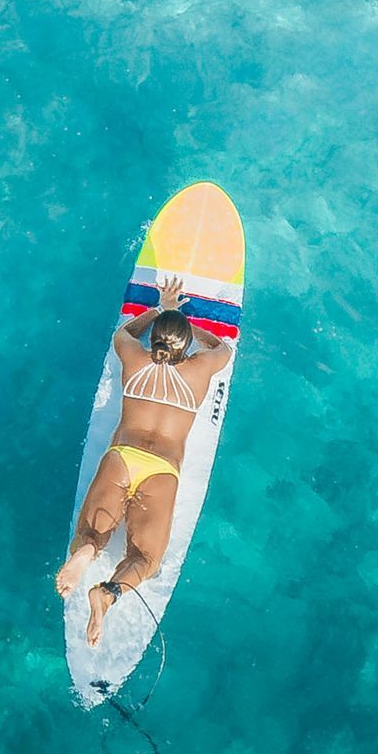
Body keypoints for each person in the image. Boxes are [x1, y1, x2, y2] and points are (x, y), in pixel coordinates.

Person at [55, 274, 233, 646]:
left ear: (152, 341)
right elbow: (222, 349)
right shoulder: (199, 369)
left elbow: (124, 332)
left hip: (123, 457)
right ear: (184, 345)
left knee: (90, 534)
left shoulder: (133, 358)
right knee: (146, 559)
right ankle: (108, 593)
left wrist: (160, 309)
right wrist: (189, 327)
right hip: (162, 471)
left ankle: (87, 552)